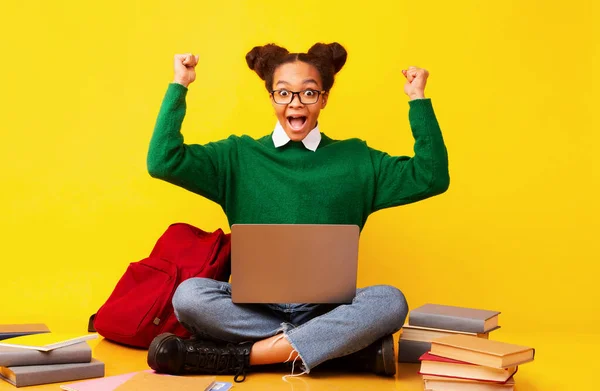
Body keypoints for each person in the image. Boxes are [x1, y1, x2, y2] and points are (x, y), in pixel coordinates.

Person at [145, 42, 449, 383]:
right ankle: (336, 348)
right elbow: (163, 161)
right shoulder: (237, 156)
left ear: (323, 98)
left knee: (391, 301)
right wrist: (180, 85)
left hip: (329, 309)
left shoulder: (358, 159)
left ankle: (244, 356)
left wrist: (417, 99)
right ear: (272, 98)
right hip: (252, 308)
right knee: (189, 296)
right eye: (284, 93)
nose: (295, 103)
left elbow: (431, 176)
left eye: (308, 93)